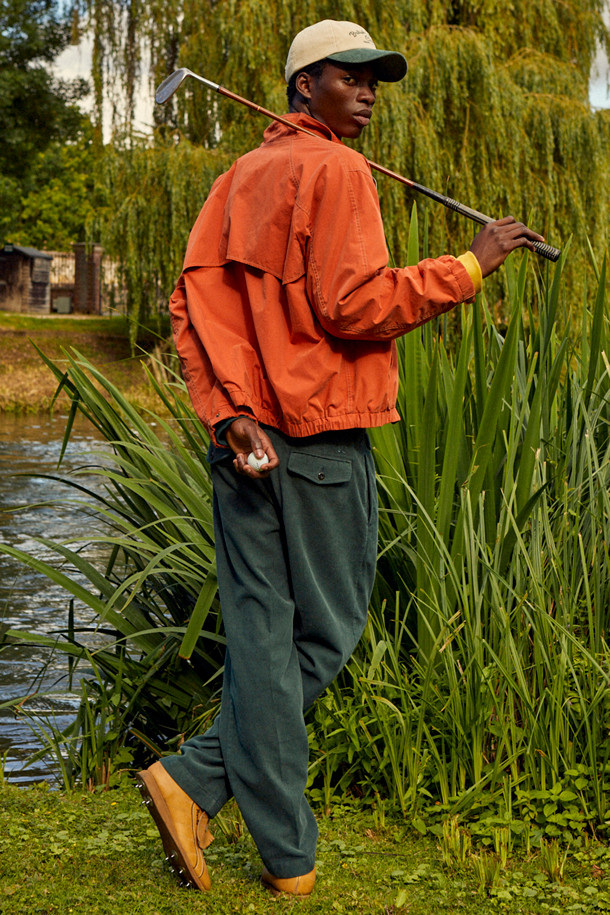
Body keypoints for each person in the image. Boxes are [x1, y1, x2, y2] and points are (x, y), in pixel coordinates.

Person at [137, 18, 544, 898]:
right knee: (321, 635)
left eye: (373, 79)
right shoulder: (339, 170)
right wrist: (469, 267)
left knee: (258, 636)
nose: (366, 91)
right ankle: (200, 783)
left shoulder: (236, 178)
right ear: (302, 87)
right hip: (319, 439)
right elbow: (356, 307)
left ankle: (280, 851)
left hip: (243, 445)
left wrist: (229, 412)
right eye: (348, 76)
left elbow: (188, 304)